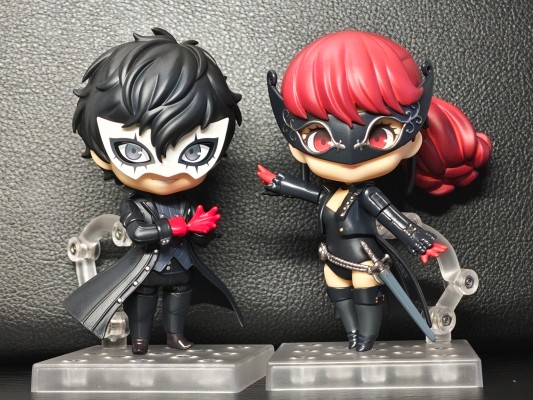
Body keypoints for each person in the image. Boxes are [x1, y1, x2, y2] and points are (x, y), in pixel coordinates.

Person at [258, 30, 491, 351]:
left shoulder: (368, 195)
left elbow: (394, 219)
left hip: (366, 260)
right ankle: (354, 335)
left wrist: (418, 240)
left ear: (412, 142)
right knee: (338, 294)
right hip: (332, 258)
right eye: (321, 139)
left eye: (380, 135)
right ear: (298, 149)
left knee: (366, 296)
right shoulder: (332, 194)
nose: (348, 150)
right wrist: (281, 184)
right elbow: (313, 195)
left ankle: (365, 340)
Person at [64, 28, 243, 355]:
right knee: (143, 306)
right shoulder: (137, 206)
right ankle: (140, 340)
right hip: (145, 272)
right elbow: (138, 233)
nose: (167, 170)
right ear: (101, 156)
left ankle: (175, 336)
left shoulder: (187, 203)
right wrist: (173, 227)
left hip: (181, 270)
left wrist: (202, 230)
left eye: (195, 152)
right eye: (133, 152)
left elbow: (199, 240)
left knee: (178, 303)